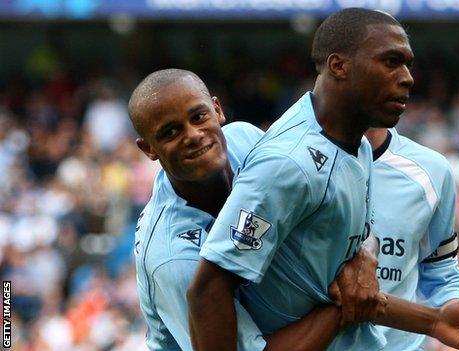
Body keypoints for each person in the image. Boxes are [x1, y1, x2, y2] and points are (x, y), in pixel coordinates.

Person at [188, 8, 459, 351]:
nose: (408, 77)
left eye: (408, 64)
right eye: (391, 62)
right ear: (338, 66)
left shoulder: (356, 148)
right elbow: (209, 288)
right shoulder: (287, 164)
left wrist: (370, 258)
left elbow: (350, 289)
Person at [130, 69, 357, 351]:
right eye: (170, 132)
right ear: (149, 148)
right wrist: (345, 305)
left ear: (217, 109)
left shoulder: (246, 140)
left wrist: (362, 255)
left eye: (198, 116)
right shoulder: (173, 259)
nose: (193, 135)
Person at [366, 126, 459, 350]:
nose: (404, 88)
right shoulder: (297, 155)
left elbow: (441, 267)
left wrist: (451, 304)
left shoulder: (432, 171)